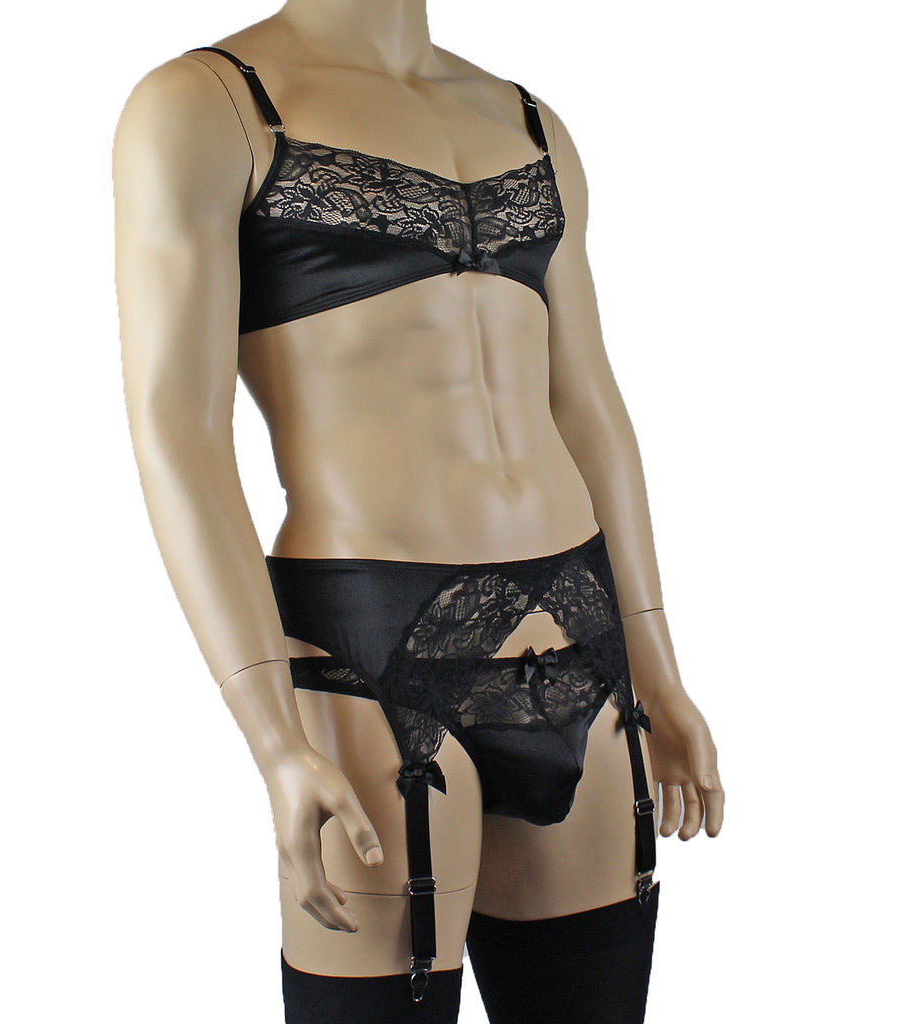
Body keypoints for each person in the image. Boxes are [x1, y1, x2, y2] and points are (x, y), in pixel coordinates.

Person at [112, 2, 724, 1021]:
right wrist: (272, 737)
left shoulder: (527, 121)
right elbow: (176, 428)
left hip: (578, 630)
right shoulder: (207, 106)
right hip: (368, 647)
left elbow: (586, 404)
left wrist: (660, 667)